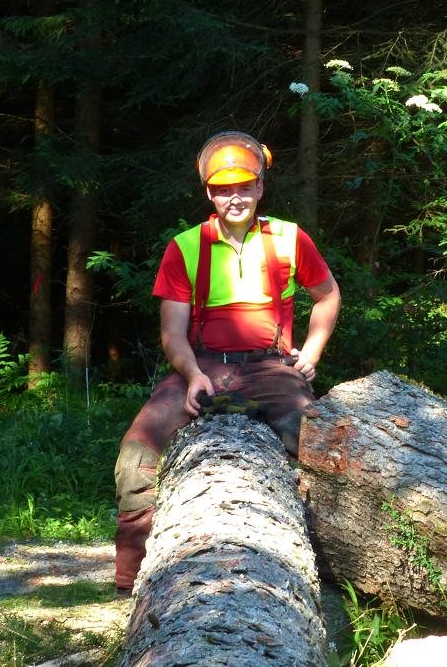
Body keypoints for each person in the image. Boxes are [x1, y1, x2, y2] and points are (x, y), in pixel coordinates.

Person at [113, 131, 341, 592]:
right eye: (223, 189)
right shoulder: (185, 246)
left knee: (323, 449)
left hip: (272, 368)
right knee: (136, 456)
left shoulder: (289, 238)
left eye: (244, 187)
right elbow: (171, 334)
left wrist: (312, 352)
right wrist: (192, 374)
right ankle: (133, 580)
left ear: (260, 187)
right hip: (201, 365)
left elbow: (328, 294)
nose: (234, 197)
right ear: (209, 194)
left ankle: (329, 570)